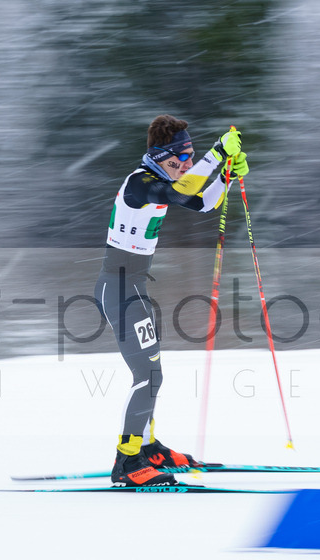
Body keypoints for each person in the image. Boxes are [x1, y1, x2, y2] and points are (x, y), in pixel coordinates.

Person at [95, 115, 248, 486]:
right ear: (159, 157)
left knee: (152, 372)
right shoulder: (140, 183)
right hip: (118, 289)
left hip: (134, 288)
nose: (184, 165)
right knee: (147, 375)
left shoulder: (163, 178)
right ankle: (127, 463)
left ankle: (147, 448)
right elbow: (182, 191)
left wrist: (226, 175)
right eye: (177, 159)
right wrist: (216, 155)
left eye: (189, 157)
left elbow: (203, 204)